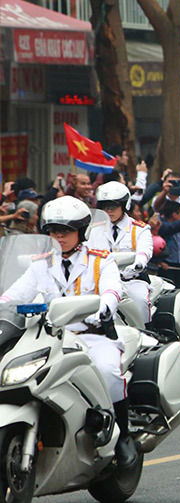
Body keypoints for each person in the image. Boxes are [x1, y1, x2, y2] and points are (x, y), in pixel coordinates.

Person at [0, 196, 136, 468]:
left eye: (66, 230)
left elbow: (112, 291)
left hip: (91, 335)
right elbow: (14, 295)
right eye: (52, 230)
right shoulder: (40, 263)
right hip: (50, 335)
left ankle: (122, 434)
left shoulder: (101, 261)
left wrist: (102, 306)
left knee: (107, 370)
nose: (58, 236)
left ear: (81, 231)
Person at [89, 182, 155, 323]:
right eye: (105, 207)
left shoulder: (139, 229)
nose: (109, 211)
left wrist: (138, 263)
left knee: (140, 301)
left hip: (131, 281)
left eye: (113, 206)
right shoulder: (94, 230)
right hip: (103, 283)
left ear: (125, 205)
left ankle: (145, 332)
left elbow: (145, 251)